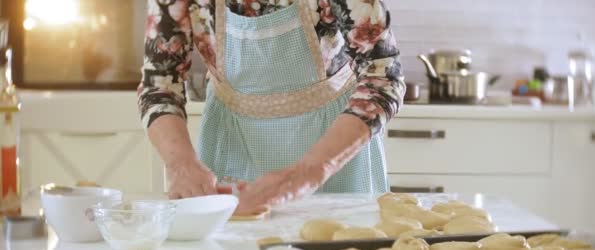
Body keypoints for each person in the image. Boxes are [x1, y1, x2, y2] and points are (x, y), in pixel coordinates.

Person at [138, 0, 405, 215]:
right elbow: (160, 84)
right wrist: (181, 163)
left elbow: (383, 75)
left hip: (332, 151)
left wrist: (307, 173)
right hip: (233, 143)